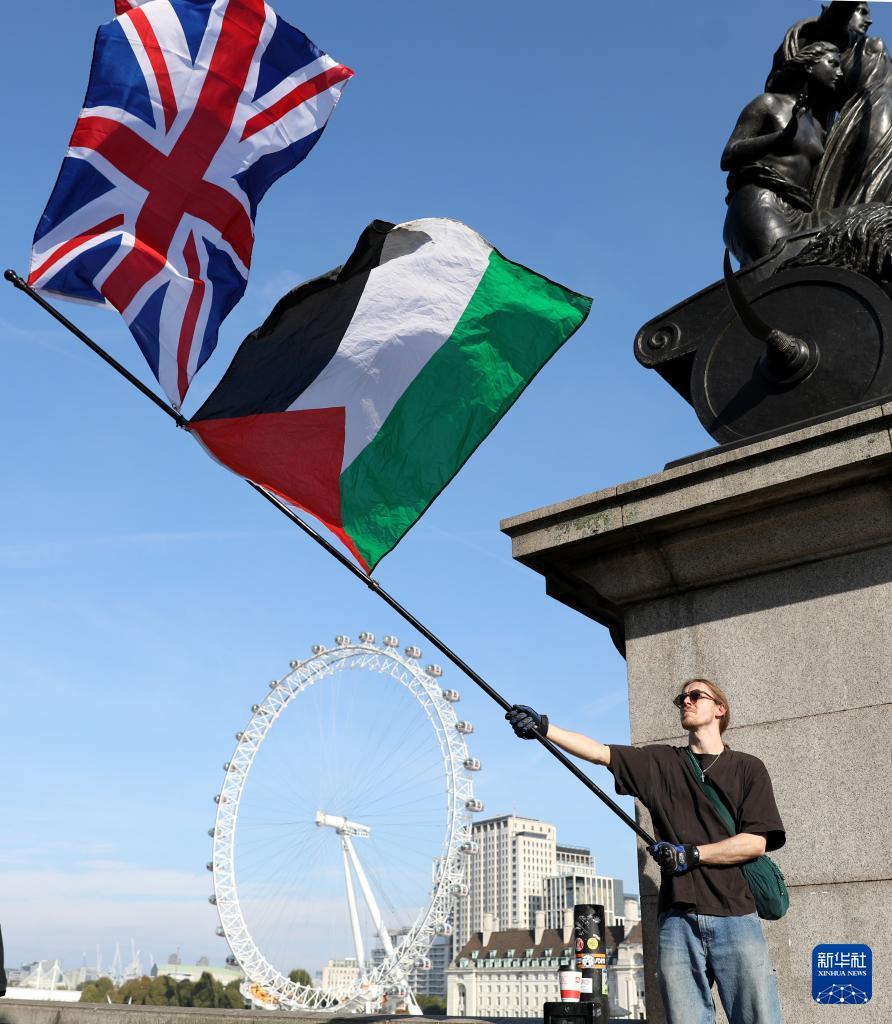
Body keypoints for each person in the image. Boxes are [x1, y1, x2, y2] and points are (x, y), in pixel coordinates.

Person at [506, 678, 785, 1024]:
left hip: (736, 915)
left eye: (695, 695)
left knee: (758, 1018)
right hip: (677, 919)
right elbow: (600, 753)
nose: (686, 701)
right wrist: (544, 728)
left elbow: (755, 842)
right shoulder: (662, 763)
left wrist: (689, 855)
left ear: (720, 709)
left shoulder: (748, 768)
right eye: (681, 698)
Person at [722, 41, 845, 265]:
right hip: (761, 203)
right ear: (809, 66)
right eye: (833, 64)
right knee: (783, 268)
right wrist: (780, 137)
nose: (840, 73)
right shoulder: (768, 104)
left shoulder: (819, 128)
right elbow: (729, 155)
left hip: (801, 213)